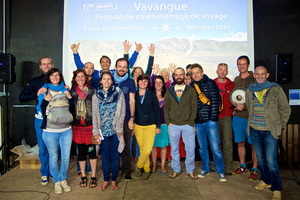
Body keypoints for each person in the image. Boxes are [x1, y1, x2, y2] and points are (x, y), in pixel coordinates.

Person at [244, 66, 290, 200]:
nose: (260, 76)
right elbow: (249, 107)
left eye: (262, 74)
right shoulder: (250, 90)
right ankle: (266, 180)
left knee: (271, 161)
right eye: (257, 74)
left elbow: (285, 109)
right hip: (254, 129)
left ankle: (277, 188)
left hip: (270, 131)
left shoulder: (275, 89)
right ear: (254, 75)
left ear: (267, 75)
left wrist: (279, 126)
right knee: (261, 159)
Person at [19, 56, 54, 185]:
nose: (46, 66)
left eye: (48, 64)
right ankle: (45, 173)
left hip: (55, 120)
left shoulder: (57, 79)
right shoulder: (34, 82)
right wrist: (36, 93)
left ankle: (53, 172)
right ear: (40, 66)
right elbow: (21, 97)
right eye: (44, 64)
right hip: (40, 120)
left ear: (52, 64)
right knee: (43, 148)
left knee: (54, 148)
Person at [39, 68, 74, 194]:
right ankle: (57, 181)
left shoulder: (66, 90)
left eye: (57, 75)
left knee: (66, 157)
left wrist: (70, 98)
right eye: (52, 75)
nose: (55, 77)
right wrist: (45, 100)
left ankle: (63, 179)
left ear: (60, 77)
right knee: (53, 157)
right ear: (49, 77)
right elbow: (43, 111)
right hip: (50, 131)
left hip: (66, 130)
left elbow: (72, 109)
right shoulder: (45, 91)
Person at [190, 63, 227, 182]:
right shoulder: (191, 86)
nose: (195, 75)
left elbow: (215, 102)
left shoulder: (211, 83)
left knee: (215, 147)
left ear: (202, 73)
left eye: (197, 72)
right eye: (193, 73)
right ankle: (205, 168)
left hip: (210, 122)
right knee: (202, 147)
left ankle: (221, 171)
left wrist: (212, 119)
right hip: (198, 122)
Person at [92, 71, 125, 191]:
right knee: (105, 156)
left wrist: (119, 128)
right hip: (102, 131)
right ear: (101, 81)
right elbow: (95, 114)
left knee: (115, 155)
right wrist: (95, 131)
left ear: (112, 81)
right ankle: (106, 180)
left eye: (109, 79)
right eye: (104, 79)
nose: (106, 81)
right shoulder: (96, 95)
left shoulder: (118, 93)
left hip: (116, 130)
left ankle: (114, 181)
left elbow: (122, 111)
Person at [164, 67, 197, 179]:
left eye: (181, 74)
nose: (179, 76)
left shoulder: (190, 90)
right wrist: (168, 121)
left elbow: (194, 107)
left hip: (187, 125)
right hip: (173, 125)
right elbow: (166, 107)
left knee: (190, 149)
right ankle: (176, 169)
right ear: (174, 76)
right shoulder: (170, 90)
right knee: (174, 150)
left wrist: (190, 122)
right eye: (176, 74)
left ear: (184, 75)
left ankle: (190, 170)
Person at [232, 55, 258, 181]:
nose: (241, 66)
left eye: (243, 64)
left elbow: (256, 98)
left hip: (250, 117)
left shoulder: (253, 79)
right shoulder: (236, 79)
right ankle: (242, 166)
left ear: (248, 65)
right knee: (240, 142)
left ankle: (255, 168)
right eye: (239, 64)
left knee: (253, 144)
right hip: (237, 117)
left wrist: (245, 106)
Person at [70, 69, 97, 188]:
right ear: (75, 79)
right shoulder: (71, 93)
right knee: (80, 153)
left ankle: (94, 176)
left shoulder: (92, 91)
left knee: (92, 152)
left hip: (90, 127)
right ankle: (83, 176)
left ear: (86, 78)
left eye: (82, 77)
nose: (80, 79)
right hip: (77, 127)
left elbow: (96, 109)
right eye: (78, 77)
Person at [134, 74, 161, 180]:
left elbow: (157, 111)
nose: (143, 83)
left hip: (150, 126)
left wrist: (158, 126)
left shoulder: (151, 95)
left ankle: (138, 166)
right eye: (141, 81)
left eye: (145, 81)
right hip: (138, 125)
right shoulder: (134, 94)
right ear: (138, 82)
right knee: (142, 149)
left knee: (147, 149)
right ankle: (146, 169)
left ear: (148, 83)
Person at [113, 58, 136, 181]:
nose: (122, 69)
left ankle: (126, 170)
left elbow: (132, 101)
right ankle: (114, 169)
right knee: (114, 146)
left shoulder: (131, 82)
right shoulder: (109, 81)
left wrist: (132, 118)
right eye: (119, 66)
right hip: (112, 121)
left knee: (126, 146)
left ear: (127, 69)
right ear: (115, 67)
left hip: (126, 119)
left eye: (124, 67)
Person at [70, 40, 141, 79]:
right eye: (103, 62)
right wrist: (75, 53)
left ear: (110, 64)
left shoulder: (114, 72)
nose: (105, 63)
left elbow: (127, 65)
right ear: (100, 64)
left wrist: (136, 51)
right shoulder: (95, 73)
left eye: (107, 62)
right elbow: (81, 67)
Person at [213, 63, 235, 175]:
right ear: (217, 71)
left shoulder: (231, 84)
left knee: (227, 143)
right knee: (217, 144)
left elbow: (237, 99)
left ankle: (228, 167)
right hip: (214, 118)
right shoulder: (212, 83)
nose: (222, 72)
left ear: (227, 72)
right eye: (220, 70)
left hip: (226, 117)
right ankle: (219, 165)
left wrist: (233, 110)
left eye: (224, 70)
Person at [150, 75, 169, 174]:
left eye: (160, 82)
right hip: (152, 126)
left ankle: (162, 165)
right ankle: (154, 165)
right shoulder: (150, 94)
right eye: (156, 82)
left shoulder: (167, 95)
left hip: (164, 125)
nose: (158, 84)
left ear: (163, 84)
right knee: (153, 147)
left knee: (163, 147)